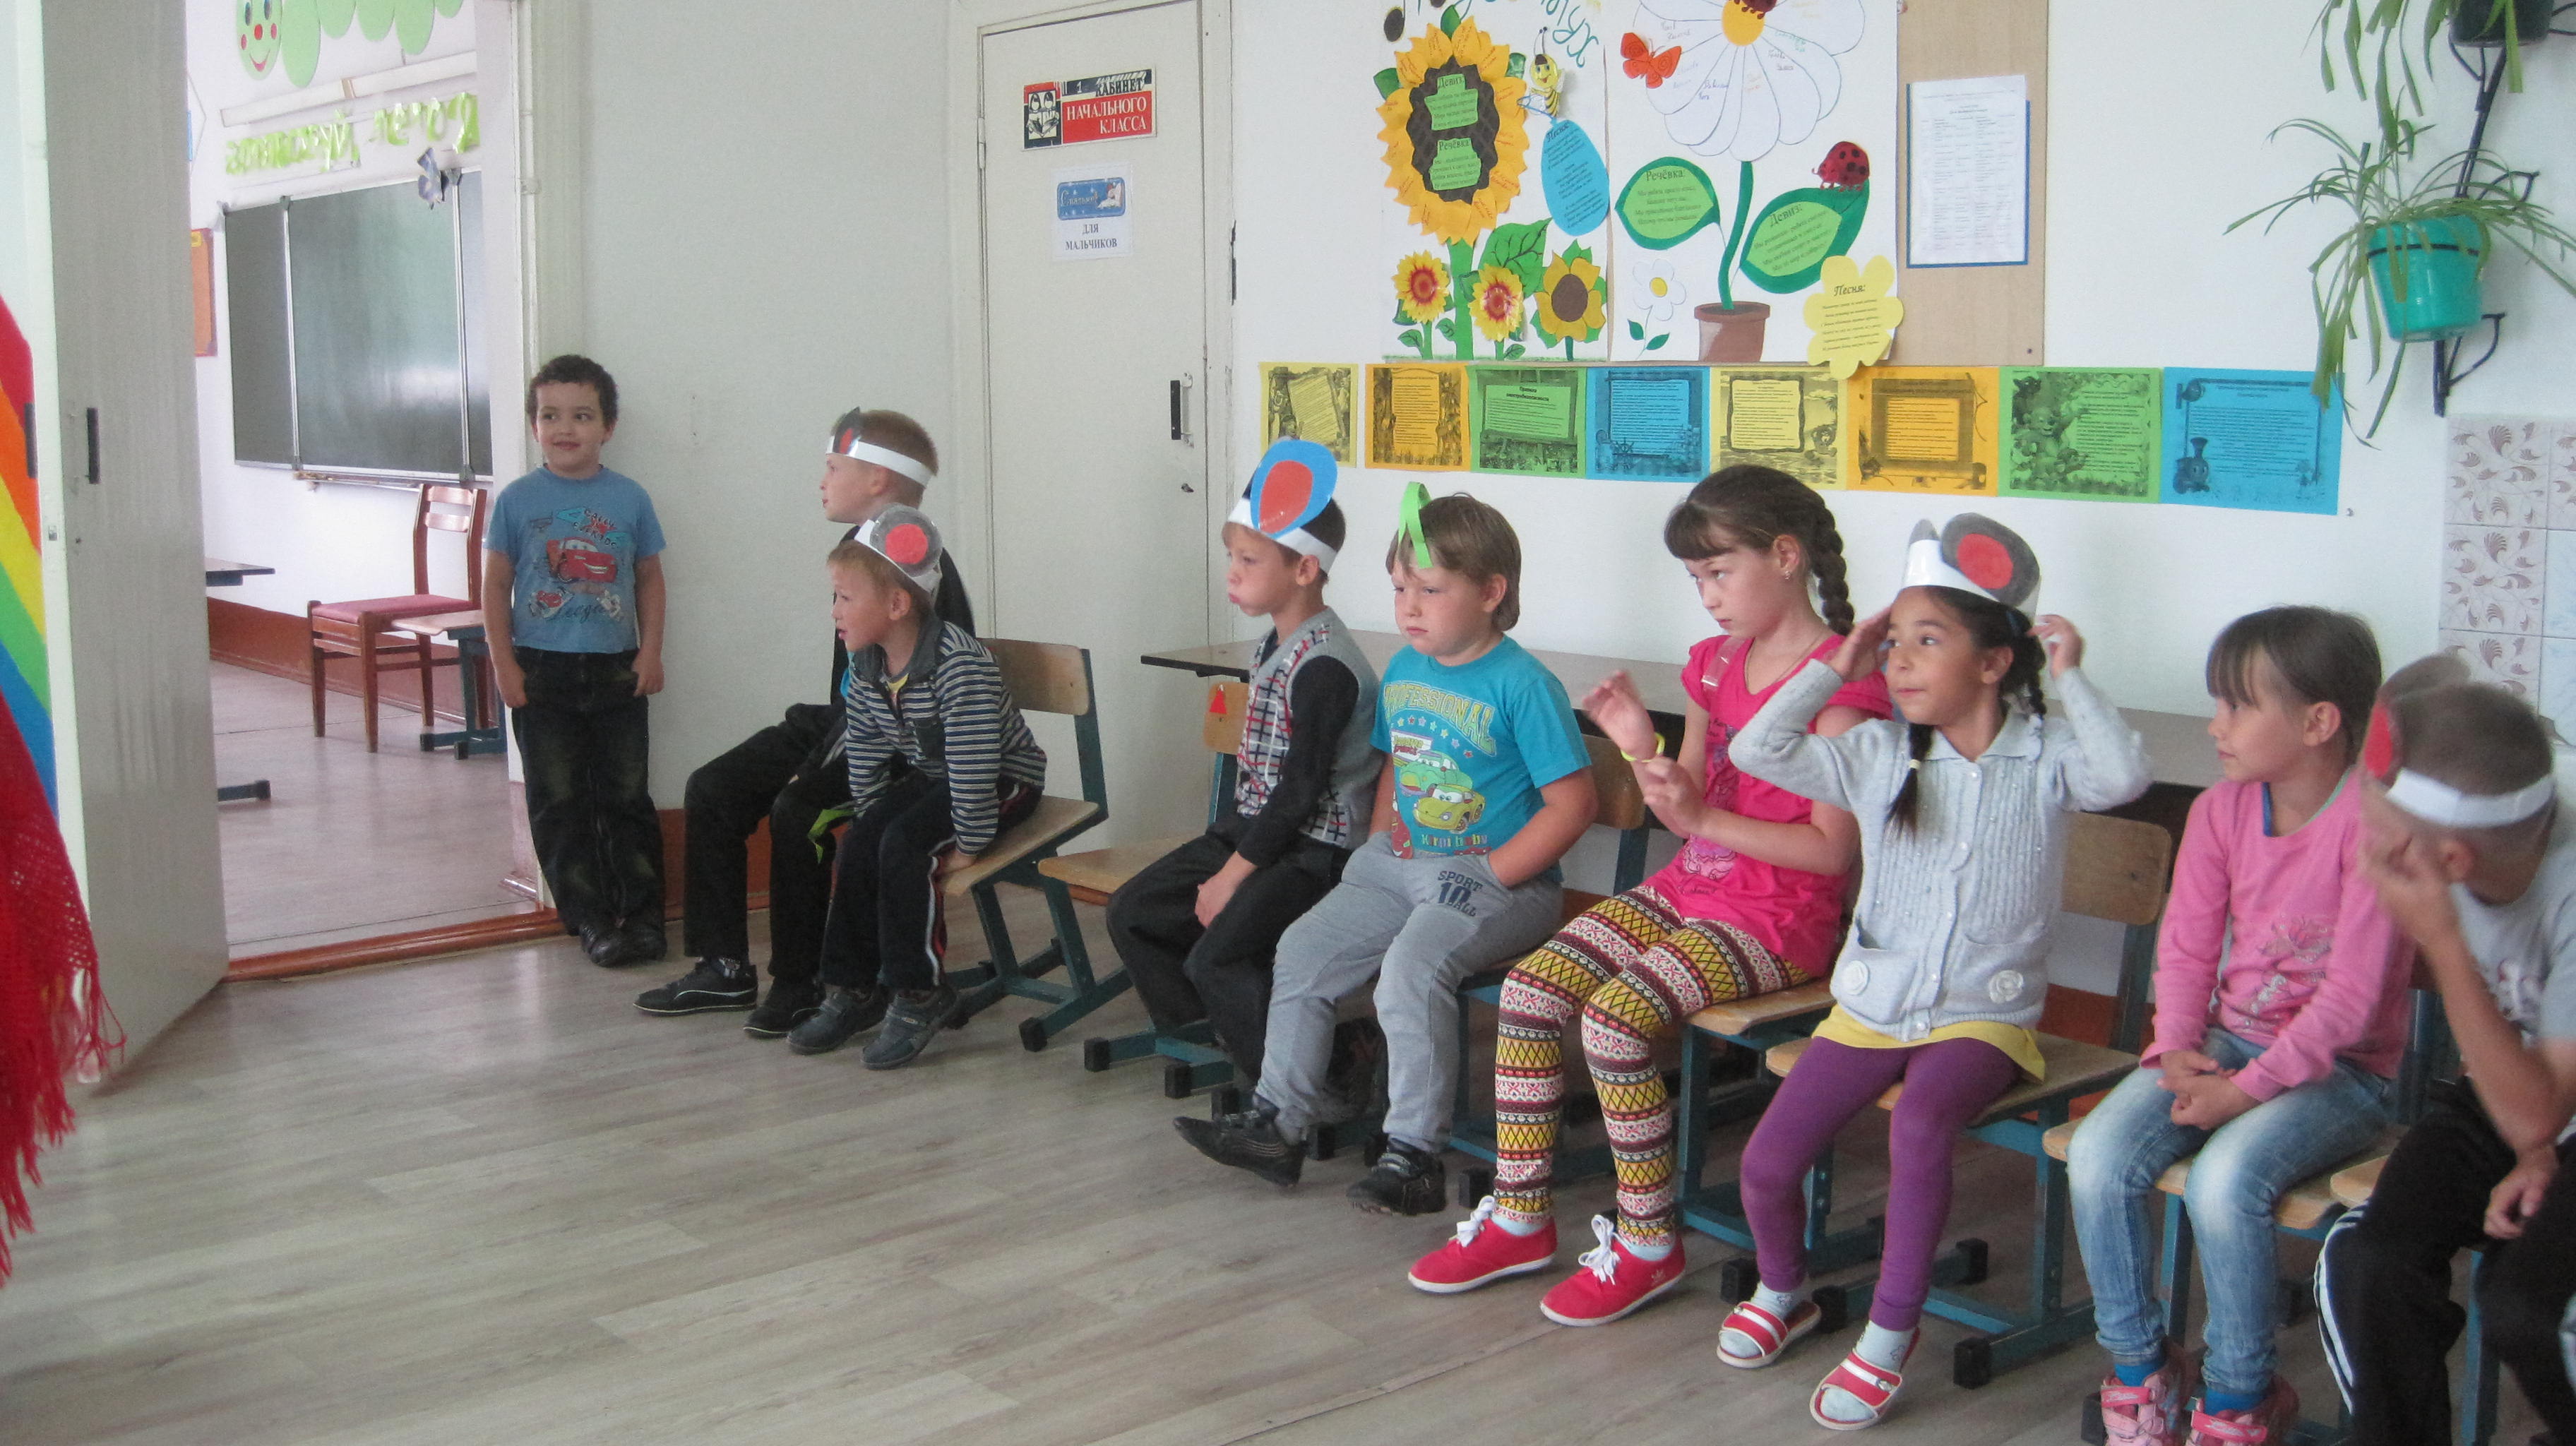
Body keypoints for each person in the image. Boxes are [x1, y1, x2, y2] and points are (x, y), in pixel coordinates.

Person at [1404, 465, 1891, 1327]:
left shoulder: (1843, 687)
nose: (1707, 596)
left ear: (1786, 556)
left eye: (1719, 572)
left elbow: (1829, 853)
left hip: (1776, 922)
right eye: (1696, 578)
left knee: (1614, 1020)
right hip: (1690, 889)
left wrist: (1700, 815)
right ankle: (1519, 1215)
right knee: (1530, 990)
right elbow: (1686, 806)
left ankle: (1647, 1238)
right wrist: (1640, 748)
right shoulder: (1715, 663)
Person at [1719, 515, 2151, 1430]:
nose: (1902, 662)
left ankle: (1889, 1331)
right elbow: (1758, 748)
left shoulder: (2047, 754)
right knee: (1766, 1162)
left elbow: (2123, 777)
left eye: (1928, 641)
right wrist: (1838, 664)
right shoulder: (1878, 753)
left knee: (1920, 1124)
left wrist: (2071, 675)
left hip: (1984, 1014)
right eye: (1895, 644)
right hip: (1874, 1004)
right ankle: (1785, 1288)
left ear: (1994, 662)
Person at [1176, 484, 1597, 1216]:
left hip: (1502, 881)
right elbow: (1395, 766)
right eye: (1401, 588)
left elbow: (1575, 805)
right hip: (1399, 864)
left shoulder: (1525, 685)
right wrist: (1377, 845)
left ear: (1491, 592)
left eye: (1430, 590)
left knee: (1411, 971)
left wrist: (1493, 871)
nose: (1409, 607)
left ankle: (1412, 1155)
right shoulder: (1404, 669)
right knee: (1301, 949)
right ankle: (1279, 1123)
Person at [2067, 607, 2409, 1446]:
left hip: (2344, 1072)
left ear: (2318, 721)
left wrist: (2245, 1091)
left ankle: (2240, 1396)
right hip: (2224, 1045)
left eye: (2237, 705)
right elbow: (2186, 947)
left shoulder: (2377, 825)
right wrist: (2176, 1049)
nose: (2215, 725)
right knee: (2100, 1153)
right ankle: (2144, 1371)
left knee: (2225, 1183)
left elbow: (2352, 1002)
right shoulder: (2221, 809)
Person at [636, 409, 972, 1031]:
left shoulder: (910, 557)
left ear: (876, 479)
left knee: (799, 811)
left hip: (903, 741)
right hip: (850, 717)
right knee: (713, 788)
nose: (822, 481)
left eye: (833, 468)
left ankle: (803, 982)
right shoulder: (862, 547)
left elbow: (914, 700)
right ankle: (724, 967)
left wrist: (815, 766)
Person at [2318, 664, 2576, 1446]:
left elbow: (2539, 1112)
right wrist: (2533, 1147)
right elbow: (2527, 1104)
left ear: (2454, 864)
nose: (2367, 854)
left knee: (2528, 1309)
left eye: (2381, 839)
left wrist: (2440, 939)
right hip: (2526, 1089)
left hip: (2546, 1099)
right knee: (2369, 1258)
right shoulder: (2458, 856)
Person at [1107, 441, 1381, 1087]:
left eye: (1249, 560)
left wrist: (1230, 877)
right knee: (1133, 913)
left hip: (1313, 853)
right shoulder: (1274, 643)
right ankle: (1228, 1041)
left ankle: (1305, 1082)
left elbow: (1299, 795)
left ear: (1304, 569)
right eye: (1232, 556)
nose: (1232, 573)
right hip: (1258, 834)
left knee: (1217, 956)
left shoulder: (1326, 667)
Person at [783, 508, 1047, 1069]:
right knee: (861, 842)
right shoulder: (867, 664)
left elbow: (977, 766)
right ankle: (854, 987)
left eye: (845, 598)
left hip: (1002, 779)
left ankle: (920, 992)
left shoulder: (958, 664)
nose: (834, 612)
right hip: (937, 776)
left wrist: (970, 842)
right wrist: (871, 818)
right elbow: (866, 753)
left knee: (906, 847)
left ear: (897, 605)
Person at [484, 354, 670, 968]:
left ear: (607, 427)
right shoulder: (517, 501)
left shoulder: (630, 498)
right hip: (542, 670)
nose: (566, 428)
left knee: (626, 796)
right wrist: (505, 665)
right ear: (534, 425)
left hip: (617, 667)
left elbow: (649, 577)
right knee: (558, 801)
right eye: (551, 415)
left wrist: (650, 651)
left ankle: (642, 916)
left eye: (582, 416)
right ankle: (590, 920)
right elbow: (494, 586)